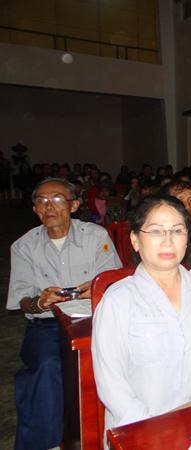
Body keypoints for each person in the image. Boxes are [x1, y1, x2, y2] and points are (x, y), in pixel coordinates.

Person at [92, 195, 191, 440]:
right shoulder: (118, 300)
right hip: (140, 430)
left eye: (177, 231)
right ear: (135, 240)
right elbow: (111, 383)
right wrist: (154, 428)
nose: (168, 241)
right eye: (156, 231)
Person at [7, 178, 122, 450]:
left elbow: (115, 281)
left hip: (95, 319)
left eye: (57, 199)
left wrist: (97, 289)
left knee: (116, 360)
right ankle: (49, 443)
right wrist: (40, 302)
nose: (49, 207)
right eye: (42, 201)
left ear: (74, 205)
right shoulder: (24, 246)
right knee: (46, 365)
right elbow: (22, 300)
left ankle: (113, 434)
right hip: (48, 325)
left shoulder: (95, 236)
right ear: (35, 209)